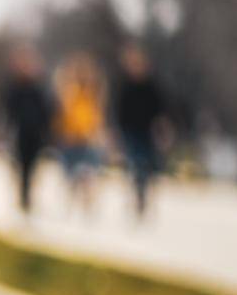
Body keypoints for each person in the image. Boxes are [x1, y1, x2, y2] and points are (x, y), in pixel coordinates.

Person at [111, 43, 169, 220]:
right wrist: (116, 134)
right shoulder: (124, 85)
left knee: (146, 165)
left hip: (147, 131)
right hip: (130, 131)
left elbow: (160, 110)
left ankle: (143, 194)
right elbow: (118, 111)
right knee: (135, 163)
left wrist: (163, 129)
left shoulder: (151, 85)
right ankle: (137, 194)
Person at [0, 44, 52, 217]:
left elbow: (46, 109)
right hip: (20, 132)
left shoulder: (39, 87)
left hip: (36, 133)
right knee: (21, 166)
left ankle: (28, 196)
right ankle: (23, 197)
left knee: (32, 167)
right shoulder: (13, 86)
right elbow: (7, 108)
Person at [53, 51, 106, 216]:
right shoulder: (68, 92)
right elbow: (62, 115)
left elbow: (96, 117)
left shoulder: (94, 94)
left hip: (87, 139)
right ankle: (71, 202)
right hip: (70, 139)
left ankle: (86, 204)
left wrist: (96, 134)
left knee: (87, 174)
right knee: (70, 175)